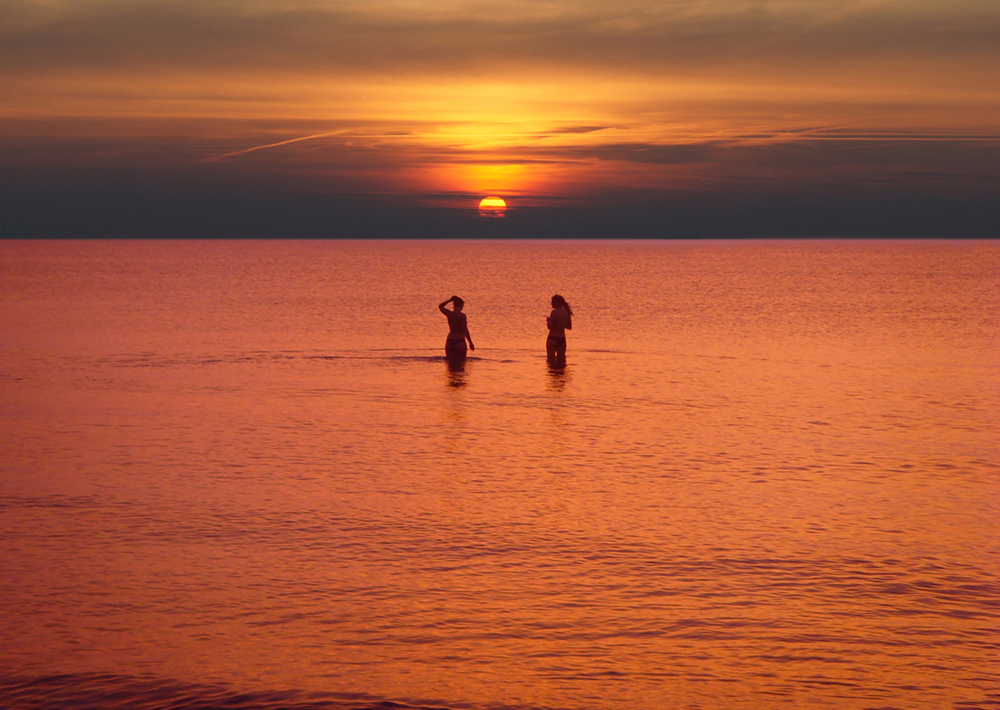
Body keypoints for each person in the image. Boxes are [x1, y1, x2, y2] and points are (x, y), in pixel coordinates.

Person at [546, 294, 573, 363]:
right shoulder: (566, 312)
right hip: (562, 339)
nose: (551, 303)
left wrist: (548, 320)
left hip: (552, 338)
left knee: (550, 360)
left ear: (557, 303)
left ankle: (552, 373)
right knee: (561, 361)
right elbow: (569, 327)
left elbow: (550, 327)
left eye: (552, 302)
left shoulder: (554, 312)